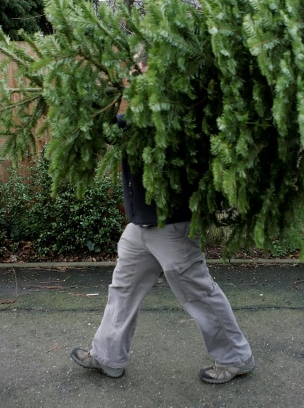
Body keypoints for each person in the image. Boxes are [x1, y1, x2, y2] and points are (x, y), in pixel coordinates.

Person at [70, 53, 254, 384]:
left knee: (198, 292)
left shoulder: (178, 106)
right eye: (138, 66)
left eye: (145, 65)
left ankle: (236, 358)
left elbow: (157, 133)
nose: (138, 71)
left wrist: (120, 121)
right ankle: (108, 356)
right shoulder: (141, 107)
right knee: (123, 287)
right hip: (142, 222)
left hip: (170, 222)